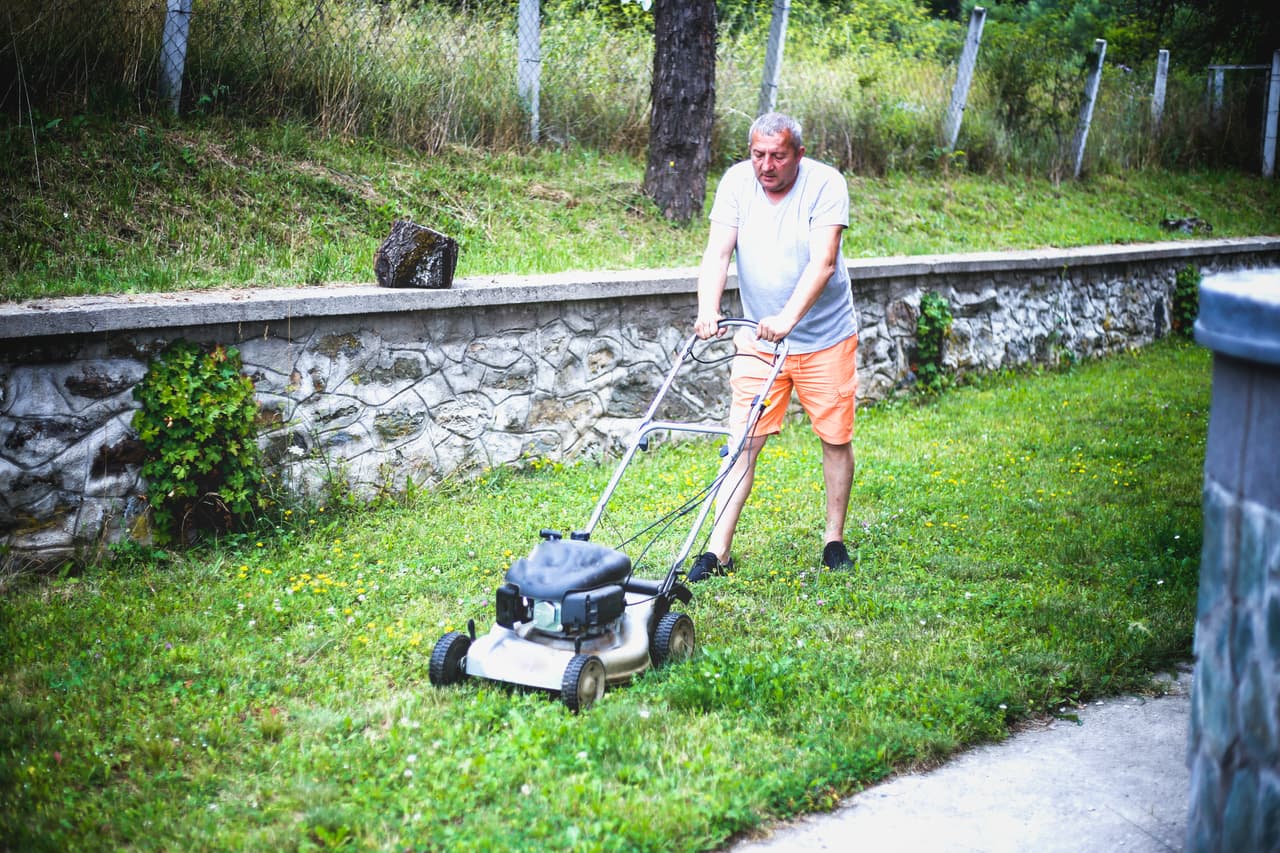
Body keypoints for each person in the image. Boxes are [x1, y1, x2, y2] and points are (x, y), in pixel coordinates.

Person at [689, 111, 858, 581]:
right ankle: (717, 552)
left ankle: (834, 539)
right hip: (759, 339)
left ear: (798, 155)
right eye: (758, 154)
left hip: (825, 338)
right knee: (742, 441)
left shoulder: (826, 185)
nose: (766, 165)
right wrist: (708, 308)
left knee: (834, 437)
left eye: (778, 156)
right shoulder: (737, 183)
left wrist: (786, 319)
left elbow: (823, 263)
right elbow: (718, 252)